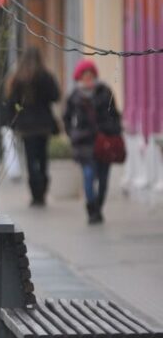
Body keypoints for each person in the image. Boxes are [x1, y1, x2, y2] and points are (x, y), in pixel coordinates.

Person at [63, 59, 122, 225]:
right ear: (80, 77)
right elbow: (66, 118)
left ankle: (98, 207)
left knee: (103, 178)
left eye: (91, 75)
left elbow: (115, 114)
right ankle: (91, 208)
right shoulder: (74, 96)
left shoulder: (105, 92)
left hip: (105, 141)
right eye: (85, 75)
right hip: (85, 142)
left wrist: (114, 130)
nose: (88, 79)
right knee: (88, 175)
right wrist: (72, 133)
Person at [5, 47, 61, 207]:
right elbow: (56, 96)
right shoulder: (46, 76)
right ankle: (42, 187)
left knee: (30, 159)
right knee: (43, 157)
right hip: (43, 124)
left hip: (26, 126)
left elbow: (11, 103)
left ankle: (35, 194)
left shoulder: (17, 80)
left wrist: (13, 122)